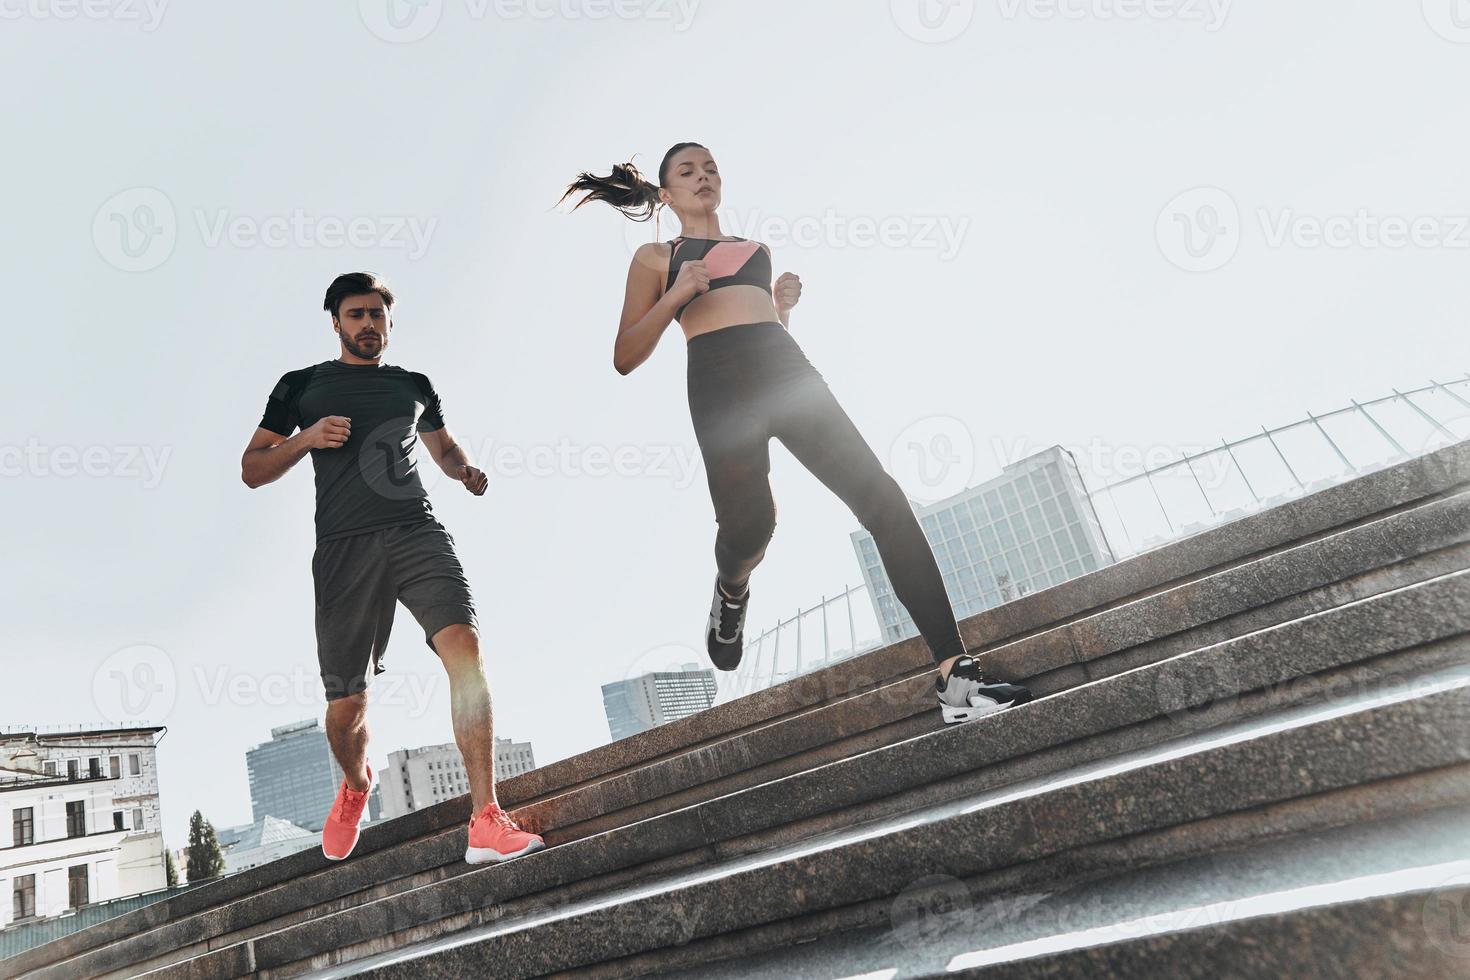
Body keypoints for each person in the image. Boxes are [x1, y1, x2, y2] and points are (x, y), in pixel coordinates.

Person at [561, 143, 1033, 724]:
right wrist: (679, 293)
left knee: (882, 499)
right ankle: (730, 590)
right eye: (687, 171)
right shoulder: (656, 257)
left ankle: (955, 677)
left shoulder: (755, 249)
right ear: (665, 194)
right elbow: (625, 355)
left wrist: (782, 312)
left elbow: (757, 325)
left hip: (788, 373)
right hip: (718, 386)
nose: (703, 176)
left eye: (710, 167)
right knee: (752, 524)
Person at [240, 272, 544, 862]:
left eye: (378, 314)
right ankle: (356, 785)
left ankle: (485, 817)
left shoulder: (414, 385)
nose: (368, 324)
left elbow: (444, 447)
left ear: (389, 321)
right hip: (343, 549)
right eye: (356, 315)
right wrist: (305, 440)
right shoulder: (300, 386)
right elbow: (252, 468)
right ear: (335, 322)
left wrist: (464, 470)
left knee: (465, 648)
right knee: (347, 706)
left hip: (416, 531)